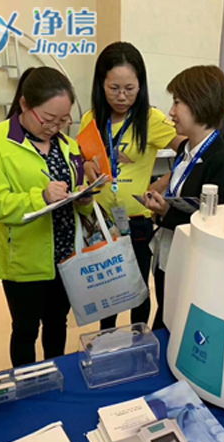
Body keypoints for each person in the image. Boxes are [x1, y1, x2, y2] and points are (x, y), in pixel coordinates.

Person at [0, 67, 94, 367]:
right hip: (24, 260)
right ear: (25, 104)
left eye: (63, 120)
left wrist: (85, 198)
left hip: (66, 257)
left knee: (57, 324)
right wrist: (40, 196)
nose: (55, 127)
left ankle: (56, 376)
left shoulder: (68, 145)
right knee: (26, 329)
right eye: (48, 119)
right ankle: (27, 384)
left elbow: (78, 197)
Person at [80, 41, 182, 330]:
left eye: (130, 88)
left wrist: (160, 184)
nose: (122, 96)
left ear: (141, 86)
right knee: (108, 290)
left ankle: (139, 341)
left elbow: (189, 152)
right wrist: (85, 166)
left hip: (136, 221)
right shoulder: (91, 118)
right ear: (101, 84)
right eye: (114, 88)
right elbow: (82, 156)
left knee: (139, 290)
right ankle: (107, 340)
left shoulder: (151, 119)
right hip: (100, 221)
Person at [143, 65, 224, 330]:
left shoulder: (223, 161)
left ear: (200, 102)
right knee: (165, 314)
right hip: (168, 254)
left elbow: (217, 227)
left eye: (177, 102)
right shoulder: (185, 150)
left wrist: (167, 212)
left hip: (193, 266)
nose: (171, 112)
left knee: (178, 325)